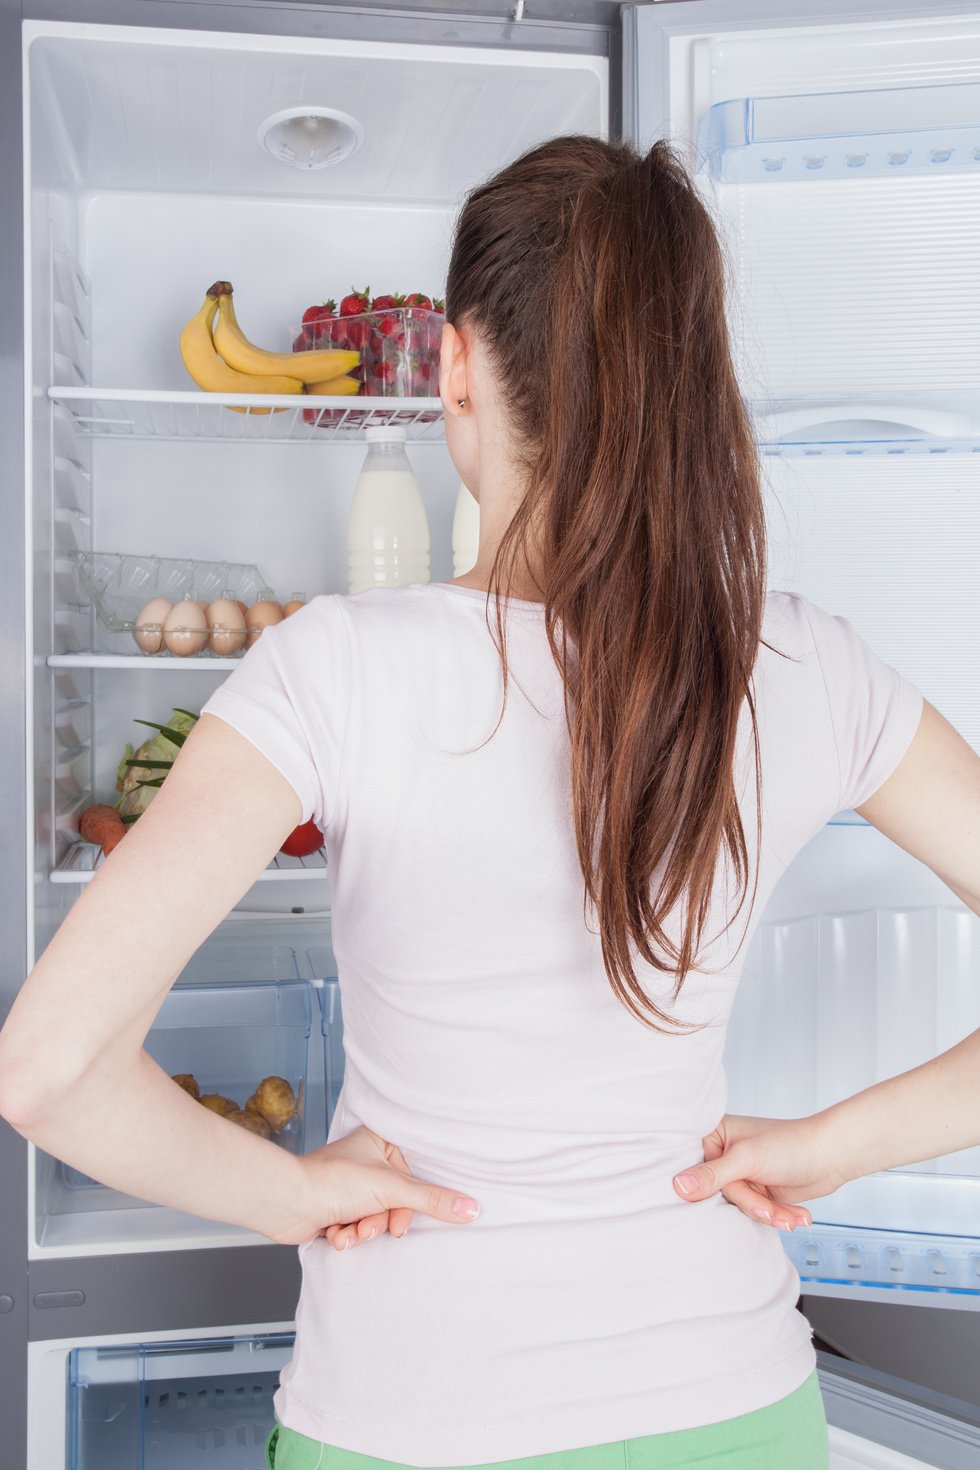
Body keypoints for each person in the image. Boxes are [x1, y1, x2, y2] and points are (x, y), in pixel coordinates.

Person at [1, 135, 978, 1470]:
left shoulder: (338, 664)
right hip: (732, 1405)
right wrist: (832, 1143)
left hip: (411, 1413)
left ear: (457, 366)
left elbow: (49, 1069)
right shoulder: (800, 661)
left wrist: (293, 1192)